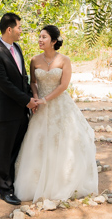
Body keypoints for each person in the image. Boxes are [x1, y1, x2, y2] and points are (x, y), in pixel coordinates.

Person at [14, 25, 98, 202]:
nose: (40, 40)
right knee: (39, 141)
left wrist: (46, 99)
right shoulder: (34, 60)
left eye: (44, 37)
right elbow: (34, 82)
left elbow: (63, 85)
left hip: (60, 105)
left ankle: (62, 181)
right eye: (39, 36)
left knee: (63, 141)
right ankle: (37, 182)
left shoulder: (64, 60)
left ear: (53, 41)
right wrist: (36, 98)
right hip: (40, 106)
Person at [0, 13, 41, 206]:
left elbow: (22, 77)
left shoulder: (17, 47)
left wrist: (31, 98)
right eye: (19, 27)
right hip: (7, 111)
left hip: (22, 109)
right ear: (9, 29)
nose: (21, 30)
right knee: (5, 152)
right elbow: (5, 84)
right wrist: (27, 100)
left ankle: (16, 184)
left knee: (18, 150)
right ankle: (5, 190)